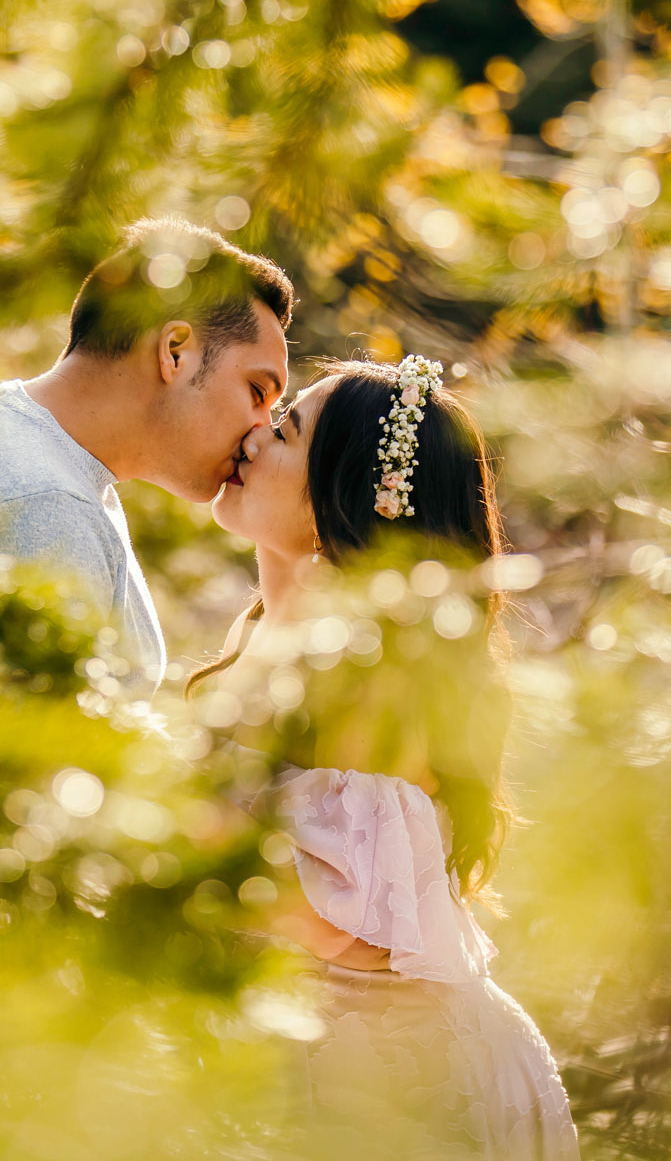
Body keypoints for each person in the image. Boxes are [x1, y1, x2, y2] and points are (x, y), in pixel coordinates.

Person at [193, 355, 582, 1159]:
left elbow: (352, 920)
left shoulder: (374, 672)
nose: (251, 434)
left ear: (344, 496)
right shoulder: (259, 634)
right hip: (298, 1061)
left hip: (394, 1089)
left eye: (286, 428)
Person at [0, 217, 294, 693]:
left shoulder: (34, 451)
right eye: (257, 391)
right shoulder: (43, 502)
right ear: (175, 351)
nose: (262, 429)